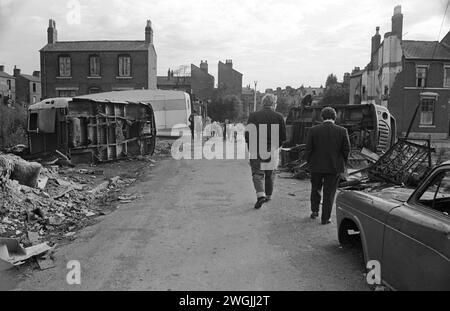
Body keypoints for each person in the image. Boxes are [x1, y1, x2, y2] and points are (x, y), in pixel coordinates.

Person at [304, 107, 350, 225]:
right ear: (335, 117)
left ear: (322, 117)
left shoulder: (313, 130)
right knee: (329, 193)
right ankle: (326, 218)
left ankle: (314, 211)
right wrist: (343, 164)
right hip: (334, 167)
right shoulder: (342, 131)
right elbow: (346, 150)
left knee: (315, 189)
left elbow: (308, 149)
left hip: (316, 166)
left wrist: (308, 163)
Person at [245, 94, 286, 209]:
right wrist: (275, 147)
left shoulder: (253, 116)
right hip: (272, 149)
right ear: (274, 104)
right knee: (270, 173)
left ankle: (260, 195)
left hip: (256, 148)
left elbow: (247, 134)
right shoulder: (279, 116)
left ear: (262, 103)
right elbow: (283, 136)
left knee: (257, 173)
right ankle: (268, 195)